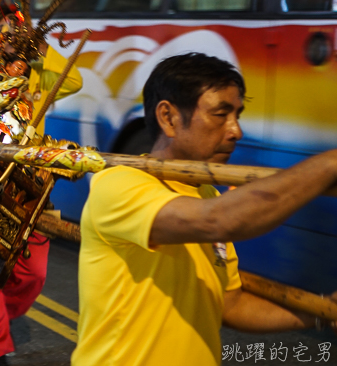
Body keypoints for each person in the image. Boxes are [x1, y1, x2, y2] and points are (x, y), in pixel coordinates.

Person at [72, 53, 337, 366]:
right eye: (220, 115)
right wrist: (330, 164)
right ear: (168, 118)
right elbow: (219, 221)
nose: (235, 130)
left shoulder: (209, 195)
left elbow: (231, 304)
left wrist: (321, 312)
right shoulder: (118, 184)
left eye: (237, 115)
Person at [0, 17, 83, 366]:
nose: (14, 39)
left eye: (20, 32)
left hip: (25, 182)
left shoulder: (37, 77)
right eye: (7, 32)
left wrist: (43, 50)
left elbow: (74, 79)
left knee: (33, 273)